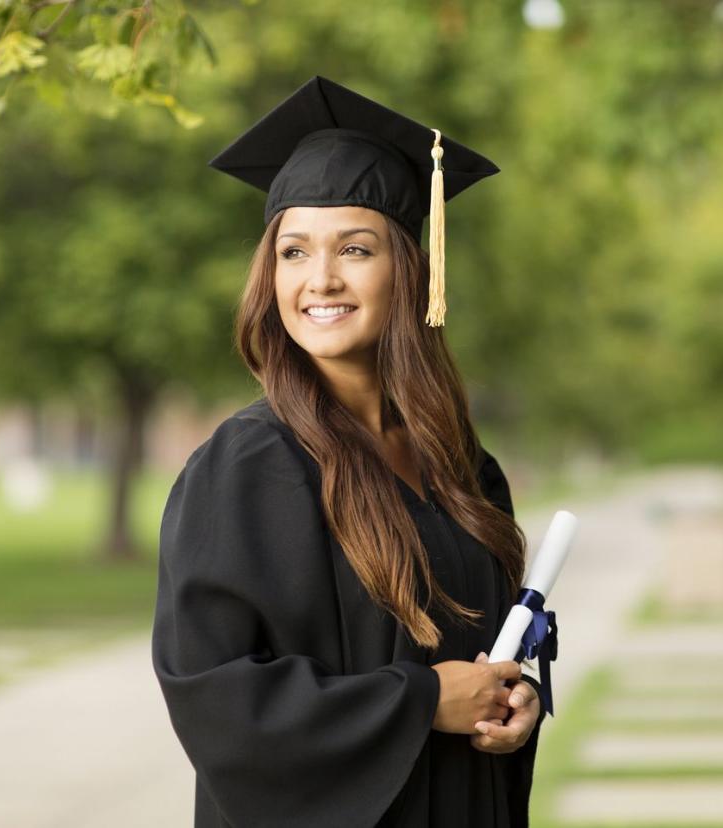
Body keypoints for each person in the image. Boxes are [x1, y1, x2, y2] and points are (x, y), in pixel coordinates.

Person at [151, 75, 553, 828]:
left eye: (356, 249)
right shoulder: (246, 468)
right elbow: (218, 701)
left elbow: (485, 658)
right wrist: (425, 701)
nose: (321, 279)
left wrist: (513, 701)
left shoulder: (461, 466)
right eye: (294, 252)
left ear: (409, 267)